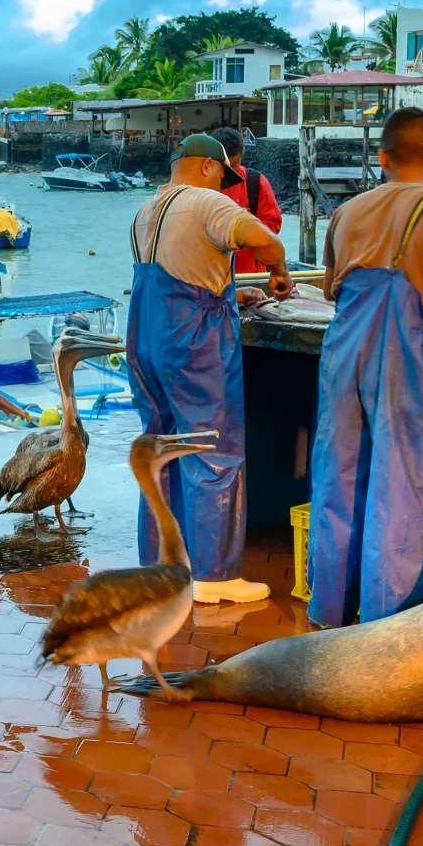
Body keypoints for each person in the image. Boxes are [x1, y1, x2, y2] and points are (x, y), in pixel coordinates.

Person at [307, 106, 423, 630]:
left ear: (382, 157)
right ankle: (387, 625)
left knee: (338, 474)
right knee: (403, 483)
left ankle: (329, 613)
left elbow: (331, 290)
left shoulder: (347, 212)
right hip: (406, 354)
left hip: (345, 350)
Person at [128, 133, 293, 604]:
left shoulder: (146, 211)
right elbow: (265, 240)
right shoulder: (207, 202)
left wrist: (233, 292)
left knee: (161, 449)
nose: (224, 187)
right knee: (211, 448)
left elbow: (181, 272)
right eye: (223, 176)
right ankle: (216, 578)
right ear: (206, 167)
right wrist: (279, 271)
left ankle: (163, 564)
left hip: (146, 341)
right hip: (193, 344)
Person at [212, 126, 283, 277]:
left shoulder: (255, 182)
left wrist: (243, 228)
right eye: (224, 167)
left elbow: (274, 224)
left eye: (234, 166)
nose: (229, 173)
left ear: (241, 156)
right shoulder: (199, 186)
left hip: (249, 274)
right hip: (209, 276)